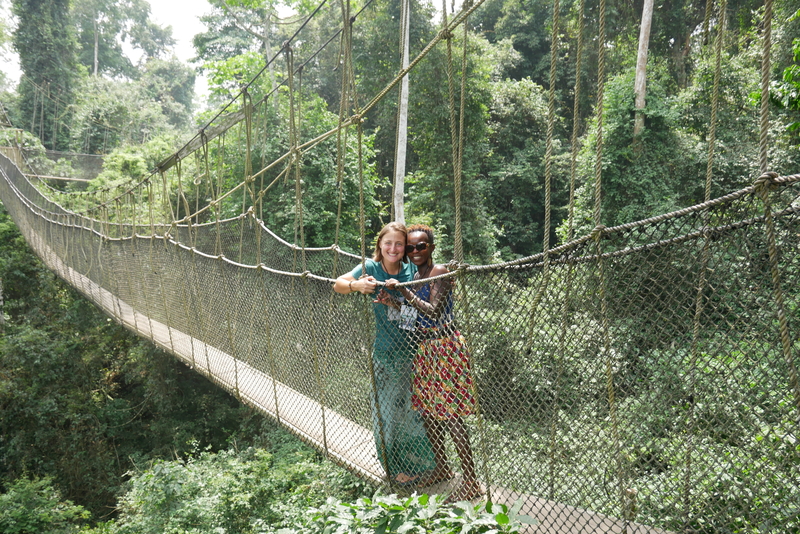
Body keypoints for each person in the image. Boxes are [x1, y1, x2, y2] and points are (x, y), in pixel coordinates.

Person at [333, 222, 435, 486]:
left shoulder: (413, 270)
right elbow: (339, 284)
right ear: (379, 244)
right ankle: (392, 467)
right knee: (386, 413)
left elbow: (422, 308)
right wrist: (357, 287)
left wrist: (398, 295)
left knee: (414, 415)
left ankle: (418, 466)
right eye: (388, 243)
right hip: (386, 355)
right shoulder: (371, 268)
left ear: (405, 248)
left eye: (399, 244)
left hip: (416, 353)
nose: (393, 248)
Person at [387, 224, 482, 502]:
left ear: (431, 248)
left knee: (451, 415)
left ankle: (472, 482)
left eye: (421, 246)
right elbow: (416, 320)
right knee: (428, 412)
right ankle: (442, 467)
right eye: (411, 247)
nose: (416, 251)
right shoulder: (416, 275)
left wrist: (403, 292)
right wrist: (392, 303)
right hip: (427, 347)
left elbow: (434, 309)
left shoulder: (438, 272)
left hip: (446, 347)